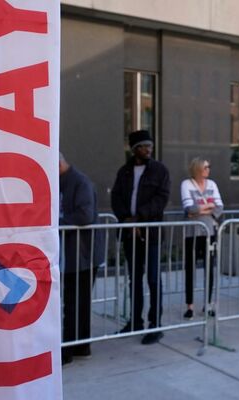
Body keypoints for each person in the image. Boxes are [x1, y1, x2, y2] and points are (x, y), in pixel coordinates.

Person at [111, 130, 171, 345]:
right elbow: (116, 197)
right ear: (134, 149)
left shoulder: (159, 170)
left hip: (150, 233)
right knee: (134, 279)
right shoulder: (124, 171)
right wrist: (127, 220)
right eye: (144, 146)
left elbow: (161, 199)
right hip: (130, 233)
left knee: (153, 279)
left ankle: (155, 325)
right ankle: (135, 321)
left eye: (150, 146)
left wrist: (139, 218)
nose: (148, 149)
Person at [59, 153, 104, 365]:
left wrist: (57, 222)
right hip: (74, 252)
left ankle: (71, 348)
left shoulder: (80, 182)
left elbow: (85, 216)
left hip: (83, 253)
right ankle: (80, 346)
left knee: (75, 303)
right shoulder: (67, 181)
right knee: (76, 302)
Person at [180, 157, 223, 319]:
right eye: (205, 167)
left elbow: (219, 208)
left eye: (209, 166)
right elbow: (189, 208)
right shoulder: (186, 184)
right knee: (190, 269)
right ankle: (190, 306)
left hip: (209, 231)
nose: (208, 169)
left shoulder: (212, 184)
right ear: (197, 168)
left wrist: (198, 210)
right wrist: (208, 207)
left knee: (209, 269)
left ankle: (208, 304)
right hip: (192, 232)